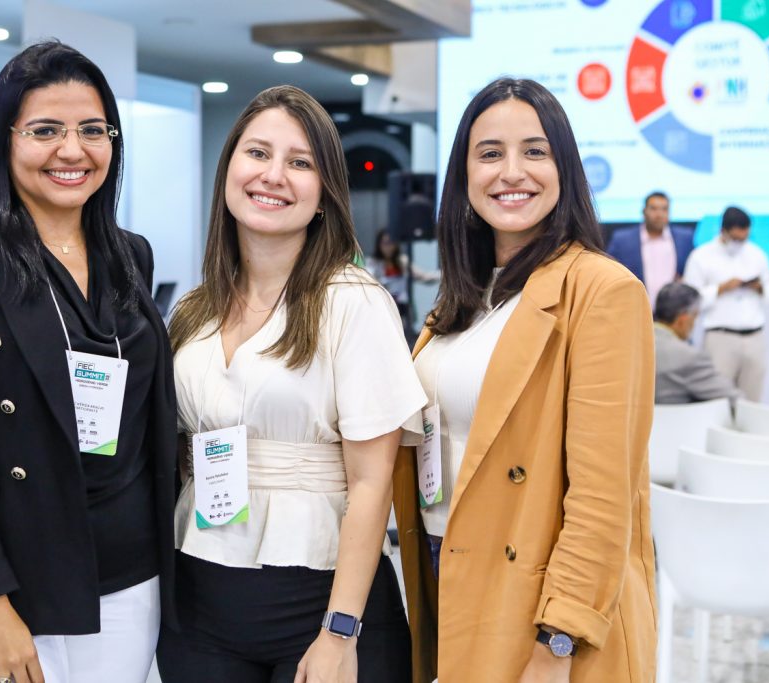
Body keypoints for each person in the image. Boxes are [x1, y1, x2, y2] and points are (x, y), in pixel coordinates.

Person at [0, 42, 176, 683]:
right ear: (5, 137)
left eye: (92, 130)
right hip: (7, 579)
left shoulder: (131, 254)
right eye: (46, 130)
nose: (72, 151)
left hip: (127, 573)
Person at [157, 85, 426, 683]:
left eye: (300, 163)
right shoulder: (194, 311)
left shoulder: (353, 302)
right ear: (229, 168)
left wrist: (340, 631)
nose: (273, 175)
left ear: (326, 194)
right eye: (257, 153)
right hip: (198, 594)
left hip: (319, 598)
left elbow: (372, 478)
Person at [393, 77, 657, 683]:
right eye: (490, 154)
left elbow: (602, 496)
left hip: (538, 593)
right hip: (446, 564)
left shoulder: (602, 290)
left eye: (534, 151)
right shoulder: (461, 299)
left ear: (564, 169)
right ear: (463, 176)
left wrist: (559, 639)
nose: (512, 171)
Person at [683, 206, 769, 401]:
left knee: (752, 402)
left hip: (754, 336)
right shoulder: (701, 256)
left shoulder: (757, 254)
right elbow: (690, 299)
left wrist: (759, 288)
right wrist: (720, 289)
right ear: (723, 231)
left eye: (744, 238)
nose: (740, 243)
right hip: (720, 337)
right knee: (718, 400)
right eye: (736, 239)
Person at [653, 282, 741, 404]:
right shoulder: (689, 357)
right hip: (680, 421)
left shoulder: (628, 344)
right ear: (682, 320)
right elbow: (733, 399)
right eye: (695, 316)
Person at [606, 191, 695, 307]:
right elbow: (609, 271)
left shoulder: (684, 238)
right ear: (644, 211)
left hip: (674, 312)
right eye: (654, 209)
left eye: (664, 209)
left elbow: (692, 270)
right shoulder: (622, 240)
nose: (659, 214)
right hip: (633, 306)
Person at [365, 228, 439, 328]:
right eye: (385, 243)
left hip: (403, 310)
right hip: (383, 309)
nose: (388, 247)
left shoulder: (402, 261)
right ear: (379, 245)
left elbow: (424, 276)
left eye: (391, 243)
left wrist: (444, 275)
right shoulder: (372, 264)